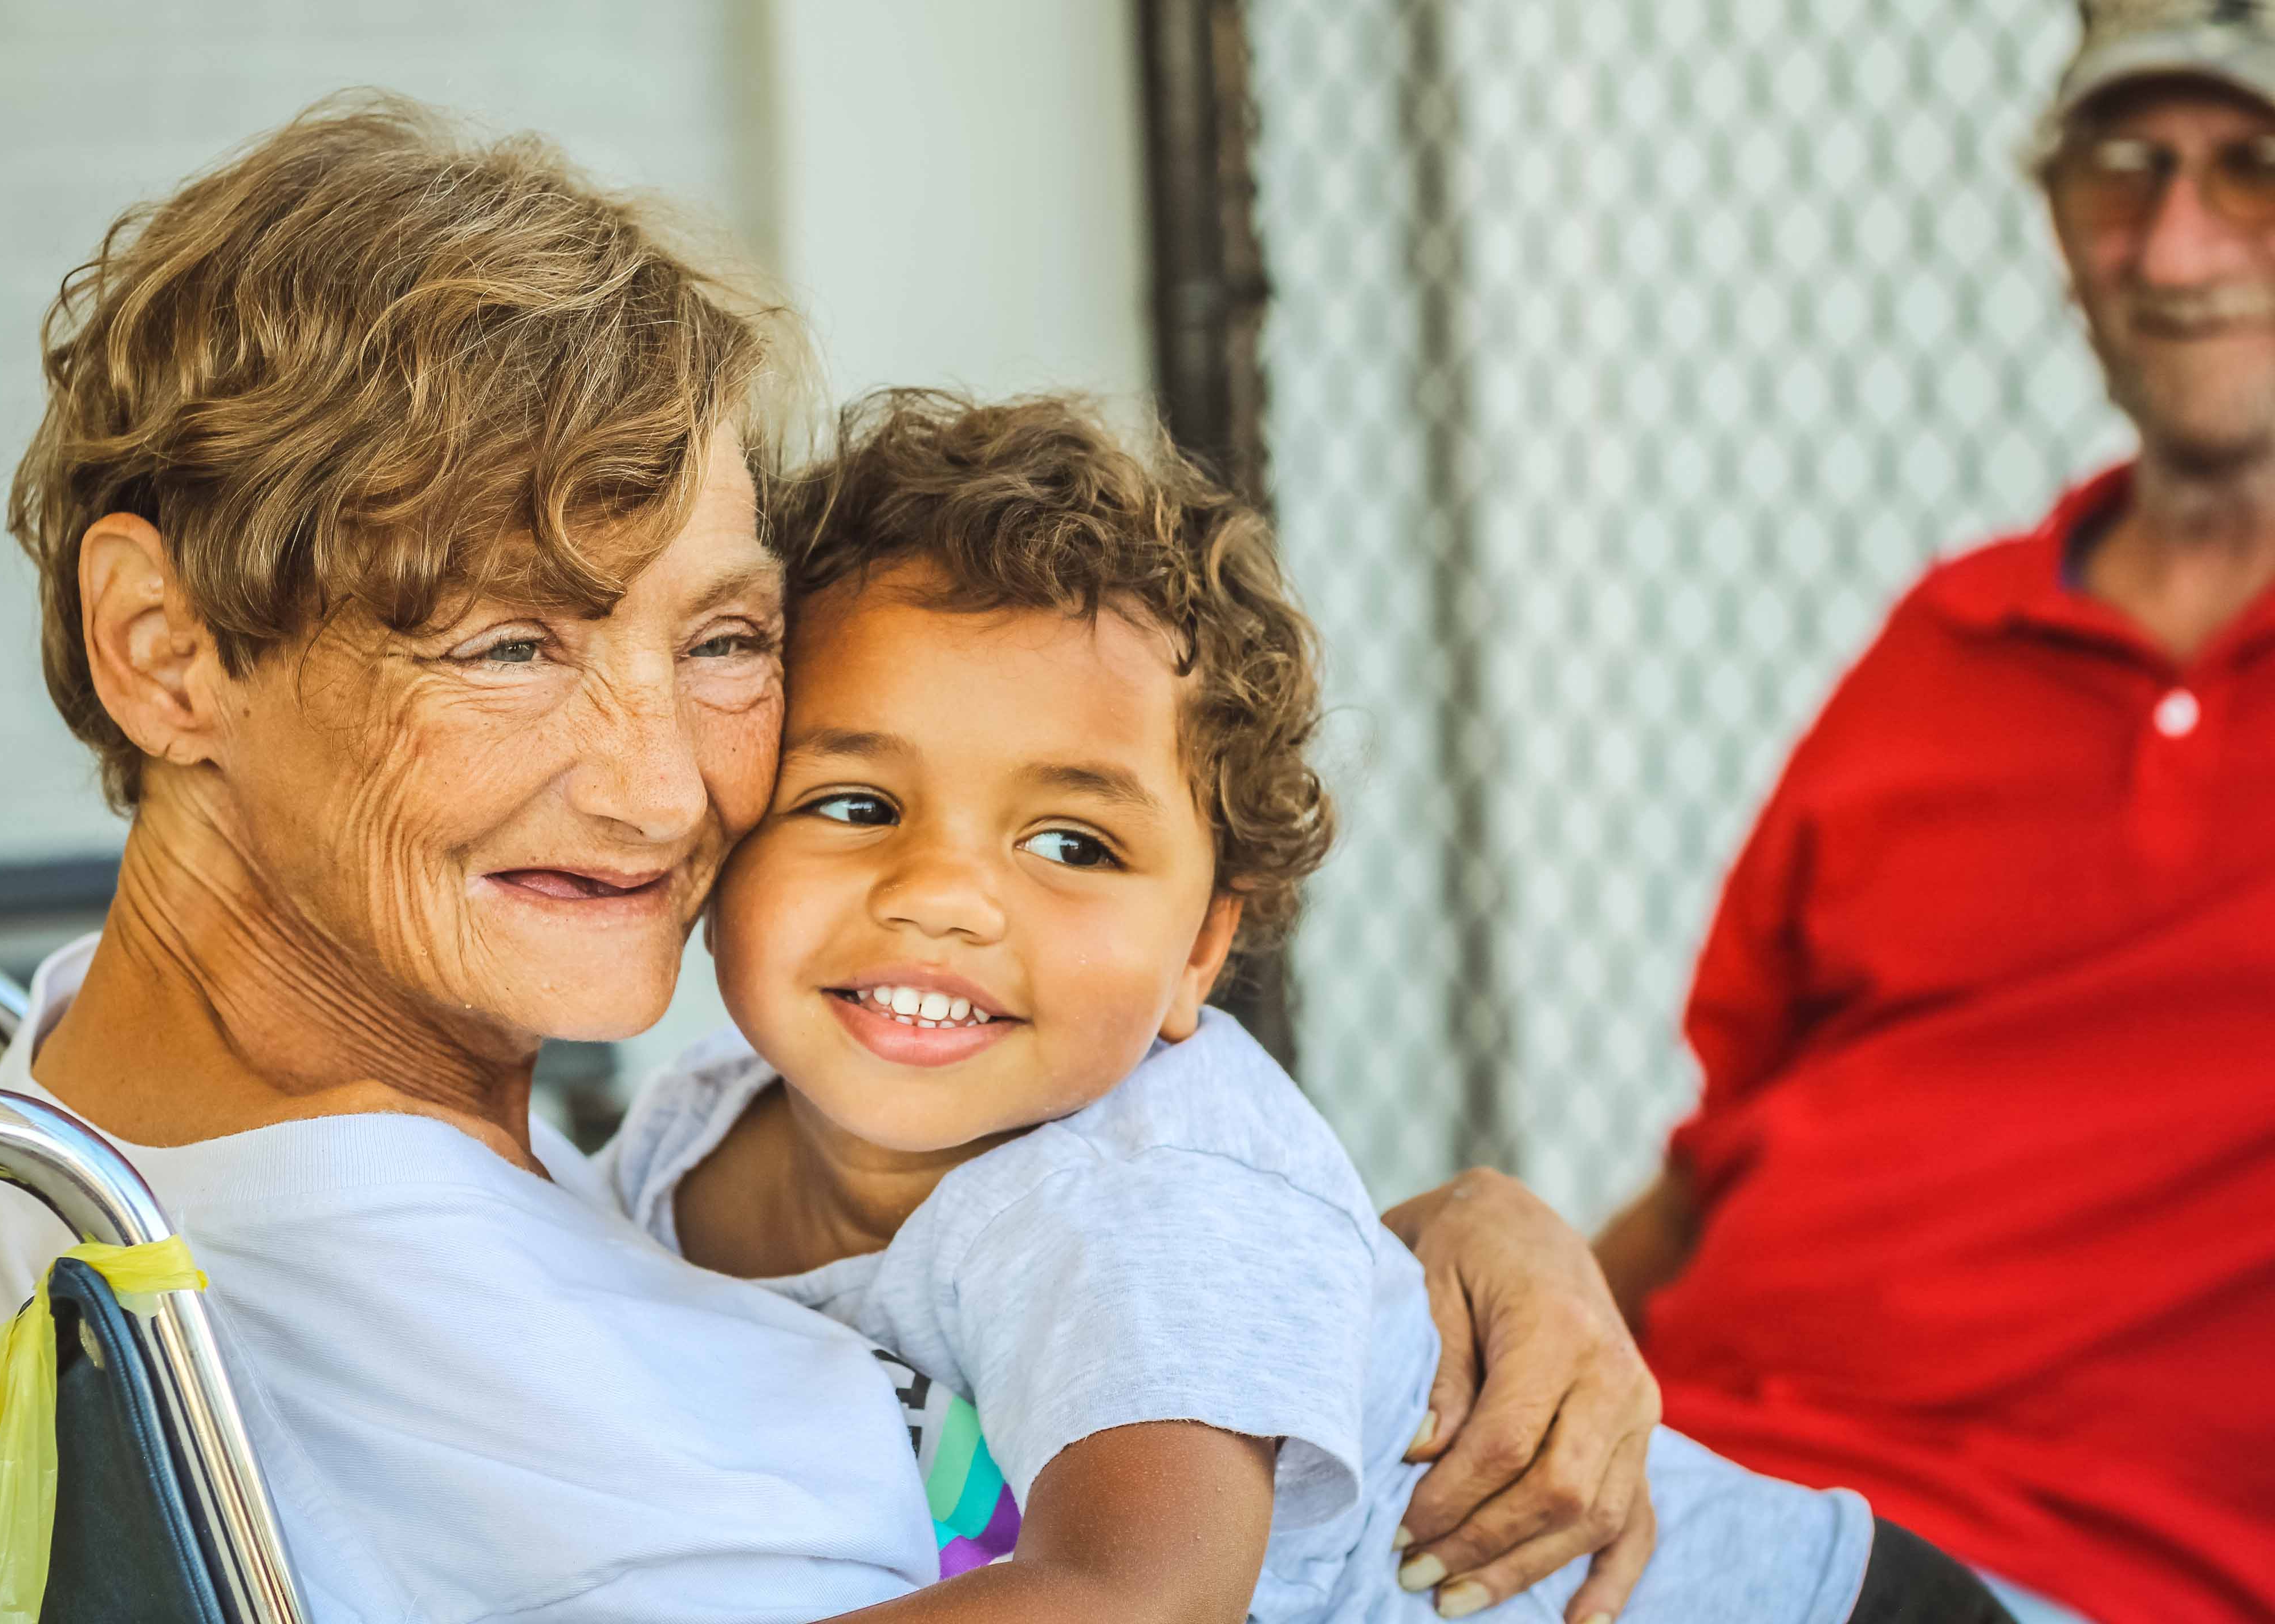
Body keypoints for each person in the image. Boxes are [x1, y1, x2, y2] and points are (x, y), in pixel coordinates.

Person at [0, 95, 1658, 1623]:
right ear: (164, 652)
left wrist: (1405, 1250)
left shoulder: (128, 1096)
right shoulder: (511, 1399)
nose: (662, 794)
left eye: (722, 642)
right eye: (509, 647)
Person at [608, 389, 2013, 1624]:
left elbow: (1133, 1595)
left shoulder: (1146, 1203)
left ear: (1201, 952)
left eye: (1073, 845)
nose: (943, 895)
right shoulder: (691, 1132)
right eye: (854, 804)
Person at [1591, 6, 2275, 1622]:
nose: (2176, 247)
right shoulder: (1946, 639)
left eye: (2256, 170)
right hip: (1668, 1479)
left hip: (2048, 1567)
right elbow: (1714, 1161)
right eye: (2123, 172)